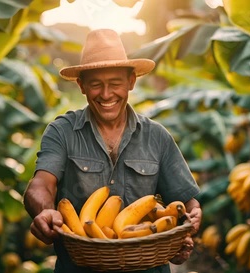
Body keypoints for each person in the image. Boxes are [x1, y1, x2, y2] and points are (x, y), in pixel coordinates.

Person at [23, 28, 202, 273]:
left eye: (115, 84)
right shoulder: (62, 132)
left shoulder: (157, 137)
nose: (106, 94)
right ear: (81, 85)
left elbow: (186, 203)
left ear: (131, 81)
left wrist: (188, 226)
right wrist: (45, 212)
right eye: (96, 85)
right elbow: (41, 185)